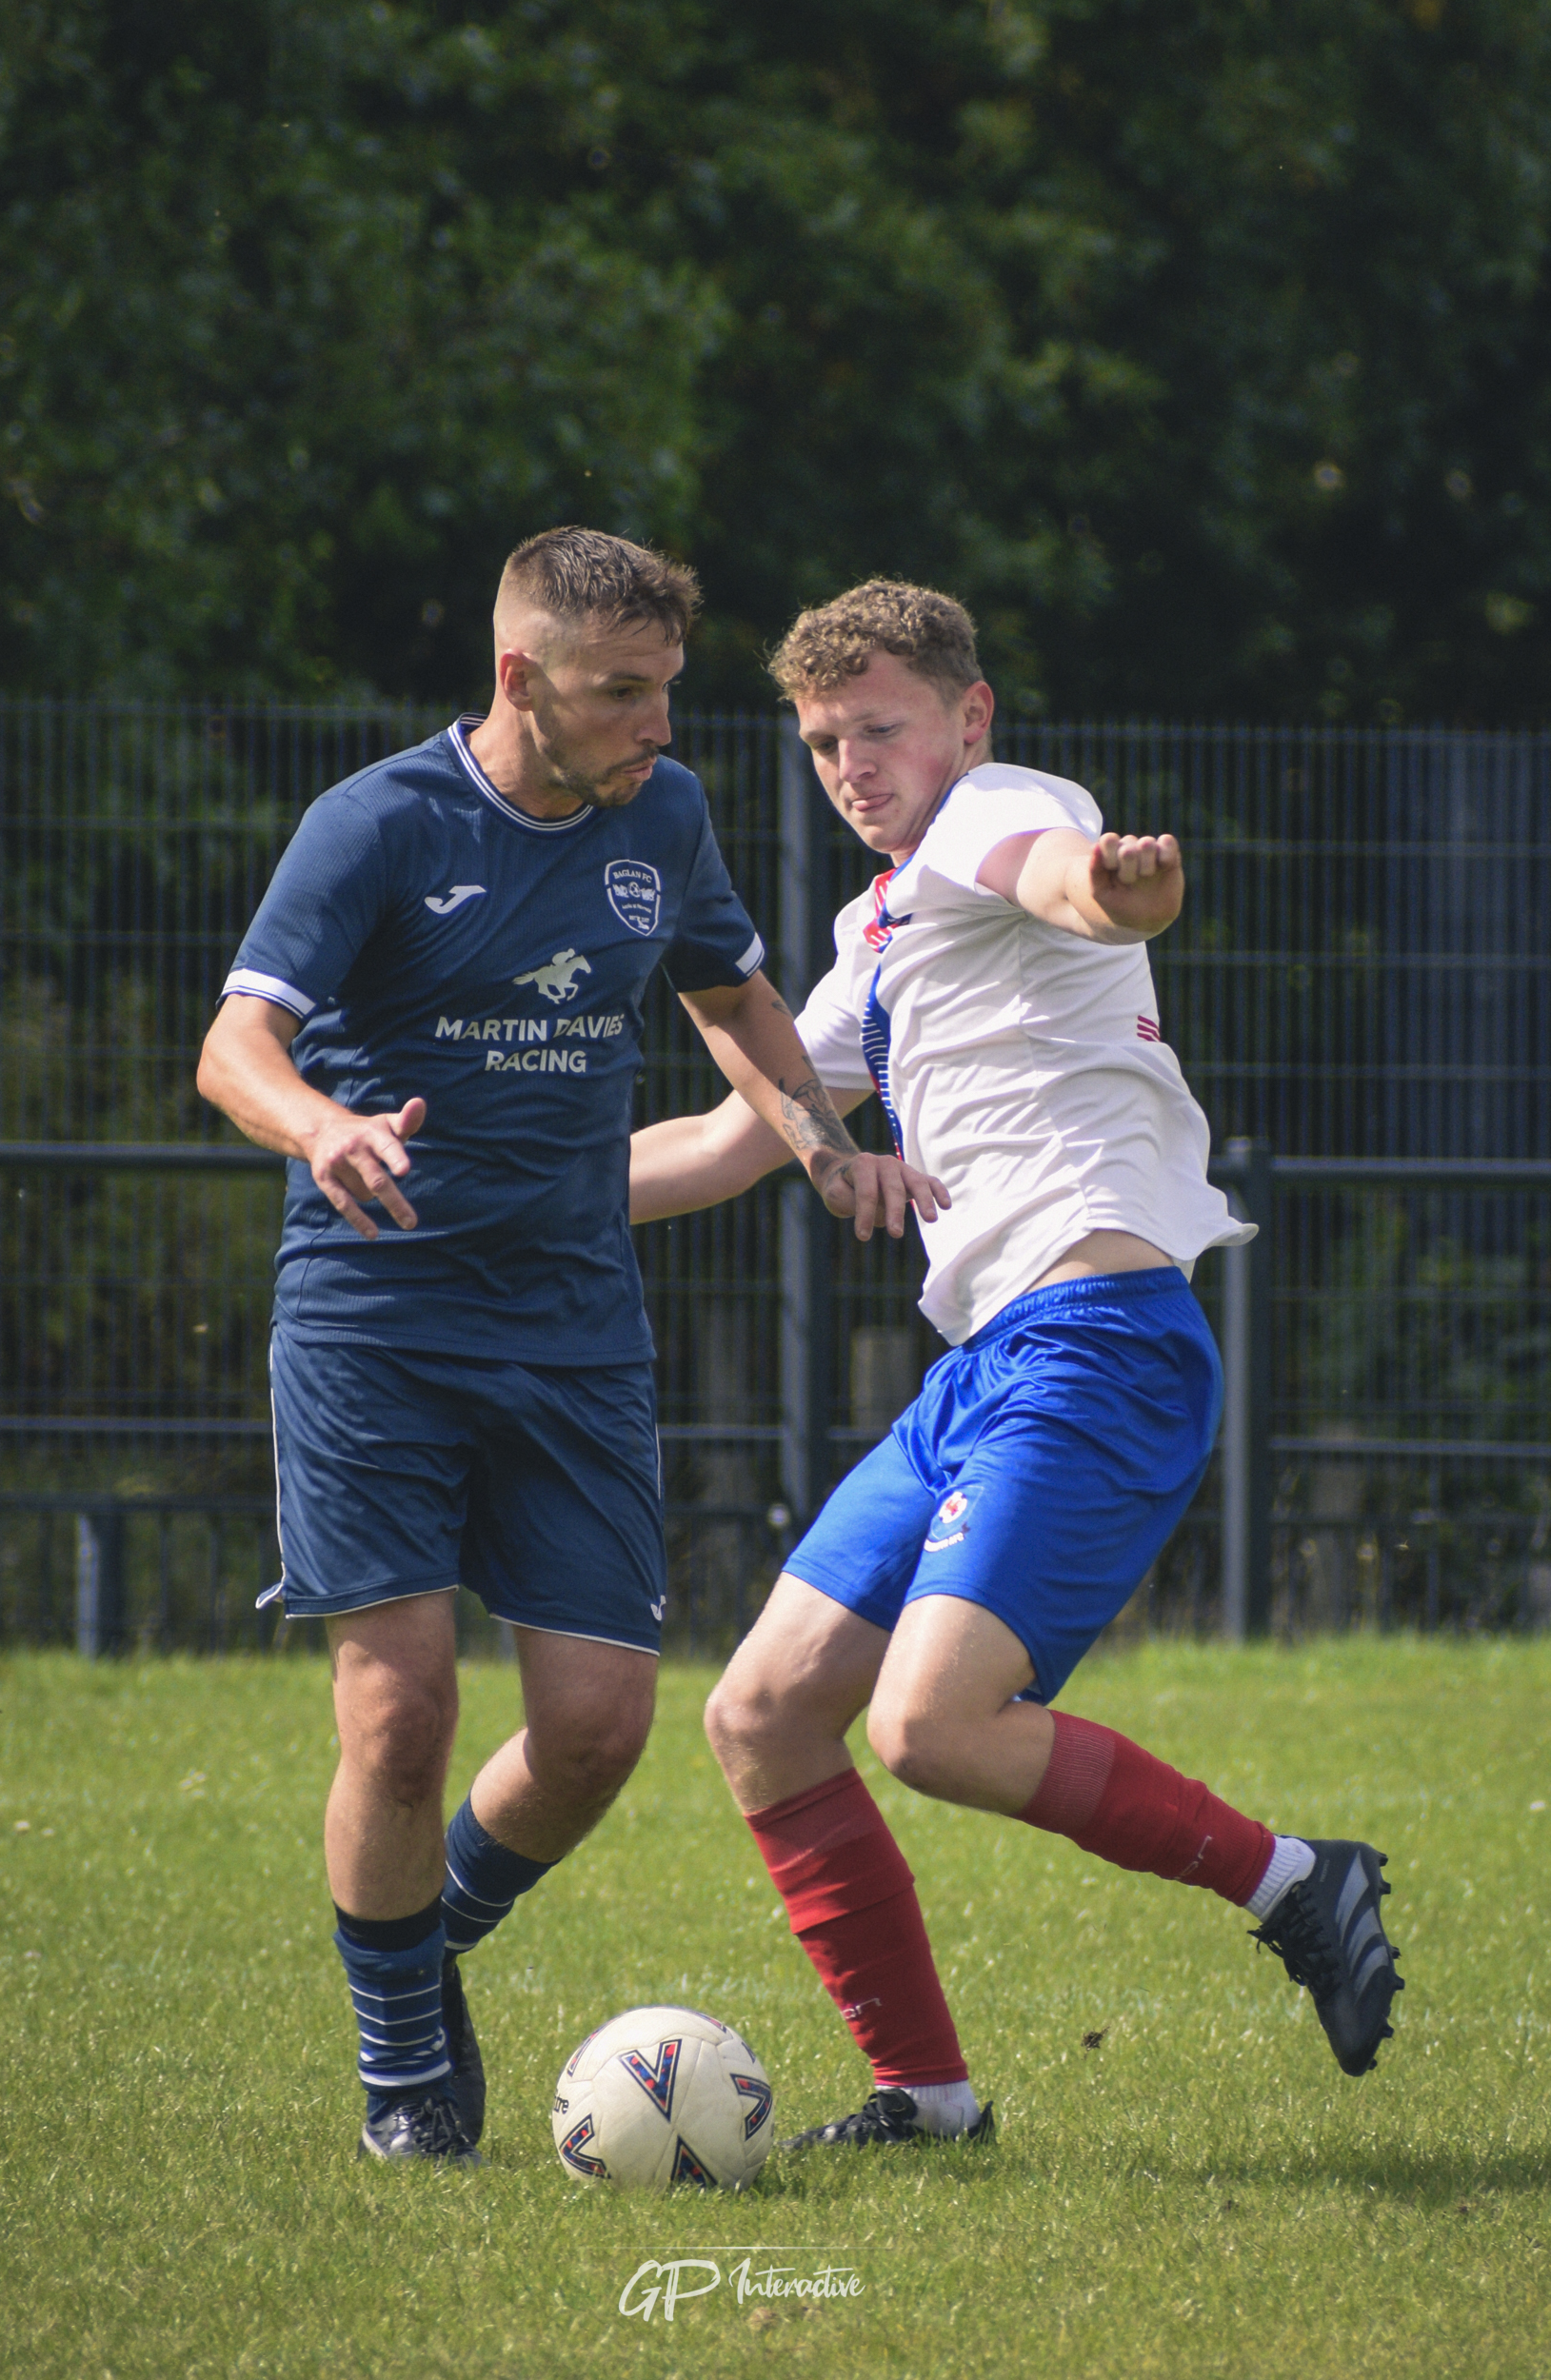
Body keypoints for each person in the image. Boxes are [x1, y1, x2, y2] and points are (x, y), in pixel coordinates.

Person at [196, 530, 942, 2165]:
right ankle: (403, 2058)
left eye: (667, 691)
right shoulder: (378, 825)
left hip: (574, 1325)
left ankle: (413, 1938)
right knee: (396, 1719)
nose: (657, 727)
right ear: (522, 678)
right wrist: (318, 1123)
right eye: (622, 695)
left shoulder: (661, 815)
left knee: (602, 1727)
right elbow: (233, 1044)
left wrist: (823, 1147)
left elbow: (734, 1000)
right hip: (375, 1311)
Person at [629, 578, 1403, 2148]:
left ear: (968, 719)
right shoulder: (880, 928)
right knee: (762, 1715)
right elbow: (733, 1133)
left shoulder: (1004, 804)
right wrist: (486, 1181)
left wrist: (1121, 889)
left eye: (879, 729)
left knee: (931, 1726)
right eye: (824, 742)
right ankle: (925, 2096)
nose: (851, 764)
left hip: (1100, 1347)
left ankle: (1296, 1881)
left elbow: (1066, 883)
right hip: (982, 1372)